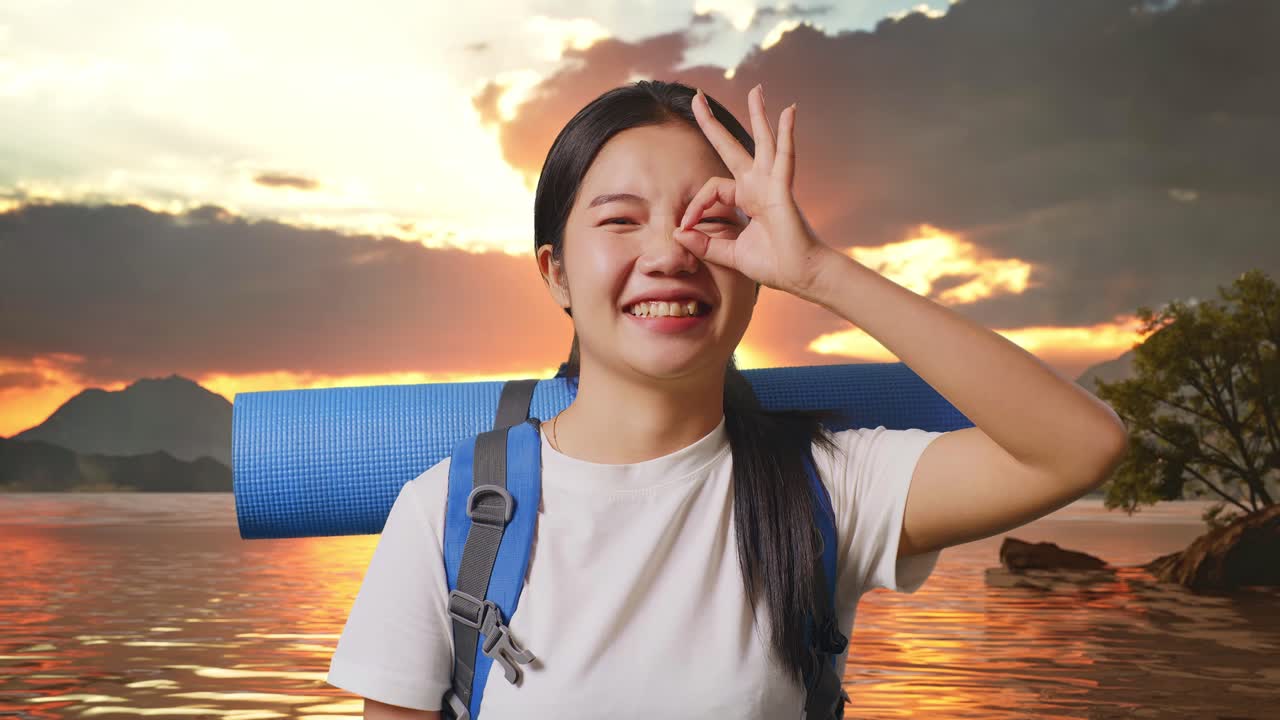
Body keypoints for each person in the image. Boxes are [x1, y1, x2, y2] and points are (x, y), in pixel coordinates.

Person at [324, 79, 1129, 719]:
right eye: (620, 221)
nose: (670, 251)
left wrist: (819, 271)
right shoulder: (449, 516)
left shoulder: (830, 486)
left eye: (709, 220)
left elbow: (1079, 447)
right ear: (556, 274)